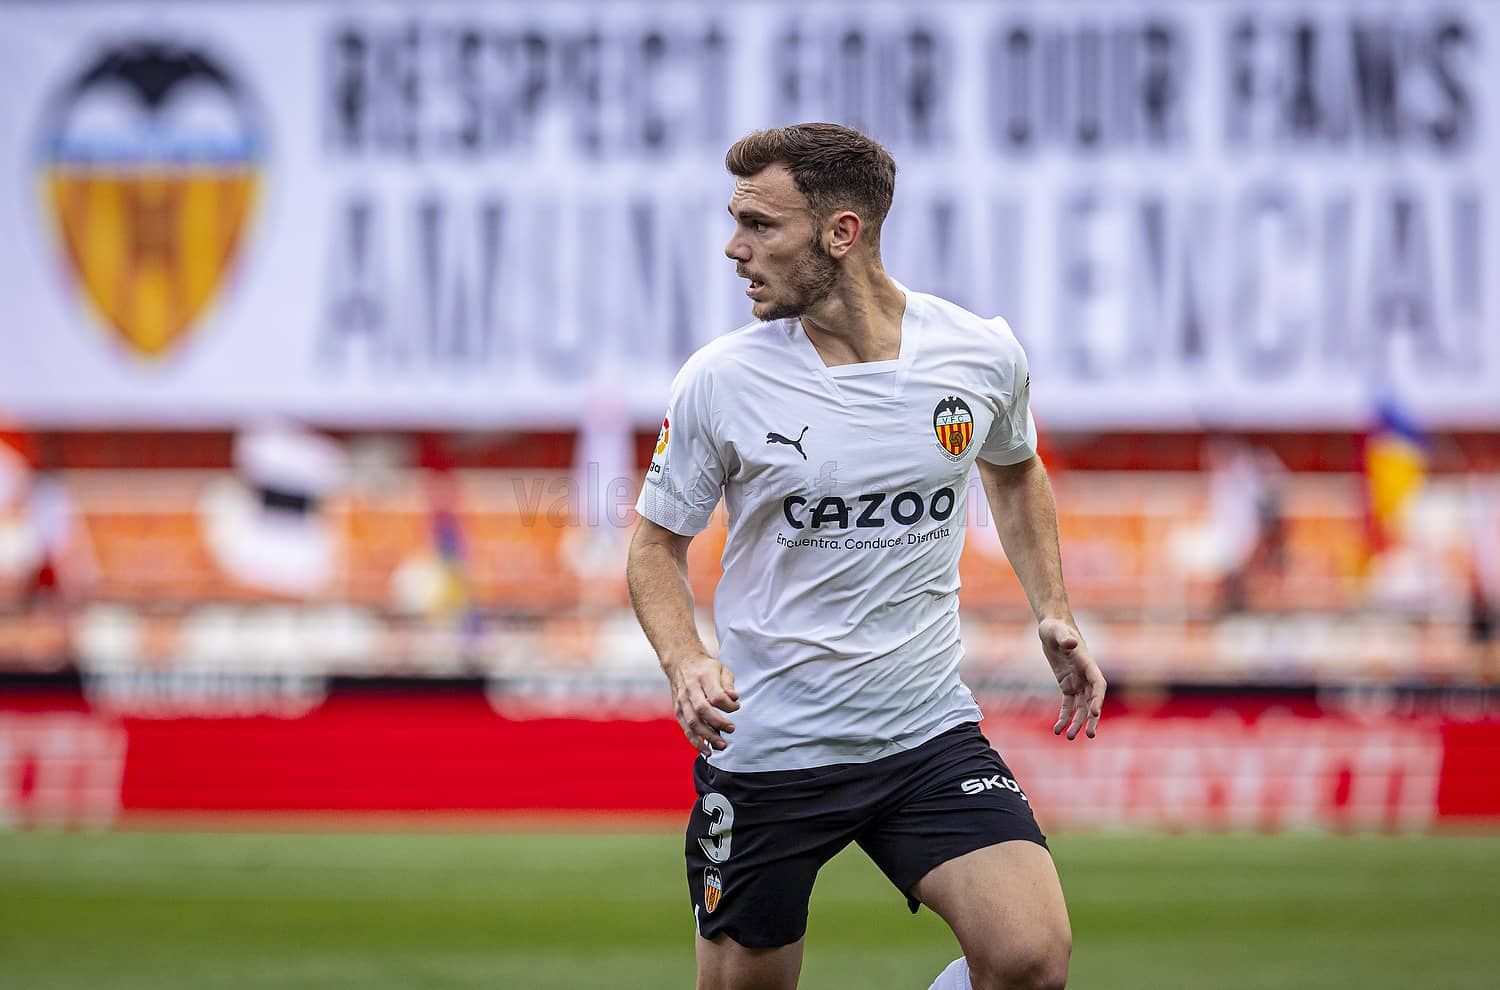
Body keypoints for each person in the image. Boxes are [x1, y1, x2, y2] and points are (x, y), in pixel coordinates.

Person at [627, 123, 1106, 990]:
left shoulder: (979, 352)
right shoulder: (720, 380)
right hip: (771, 749)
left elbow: (1015, 468)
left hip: (924, 731)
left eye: (761, 225)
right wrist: (686, 658)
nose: (734, 248)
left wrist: (1054, 608)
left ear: (842, 233)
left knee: (1031, 958)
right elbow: (655, 544)